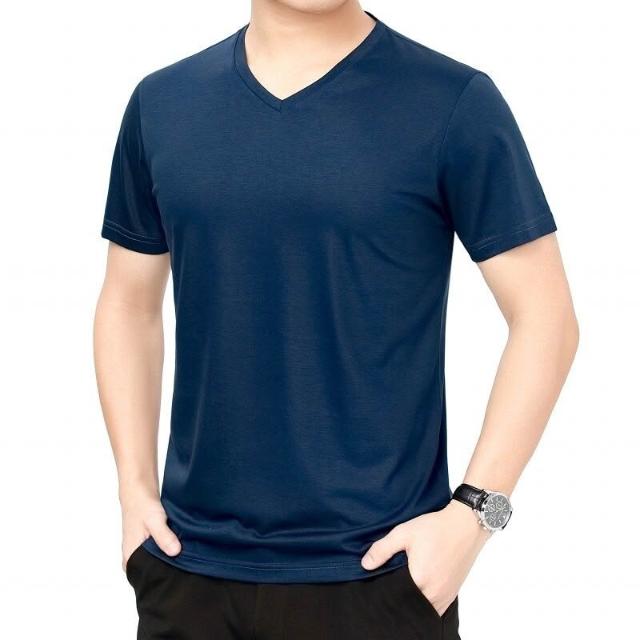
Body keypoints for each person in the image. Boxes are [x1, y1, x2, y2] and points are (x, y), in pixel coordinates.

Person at [94, 1, 578, 638]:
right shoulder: (162, 103)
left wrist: (475, 513)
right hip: (188, 573)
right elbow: (128, 304)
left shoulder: (451, 102)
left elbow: (546, 317)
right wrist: (133, 490)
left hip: (380, 579)